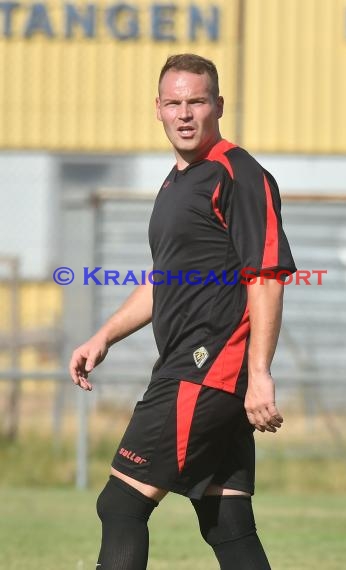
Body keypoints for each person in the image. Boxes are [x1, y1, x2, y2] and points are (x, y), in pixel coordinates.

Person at [69, 53, 296, 570]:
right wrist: (104, 335)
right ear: (158, 109)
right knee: (228, 523)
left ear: (218, 104)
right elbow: (162, 281)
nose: (185, 113)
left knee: (121, 503)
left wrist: (259, 374)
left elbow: (266, 278)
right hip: (200, 371)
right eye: (175, 102)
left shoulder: (237, 172)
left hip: (205, 369)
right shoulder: (176, 181)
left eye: (197, 101)